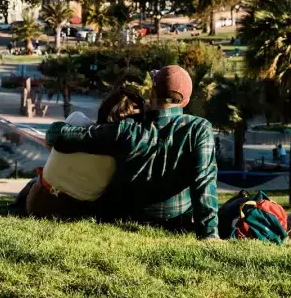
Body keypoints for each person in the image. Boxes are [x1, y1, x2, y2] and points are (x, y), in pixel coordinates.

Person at [44, 65, 220, 239]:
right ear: (185, 101)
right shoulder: (199, 129)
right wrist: (210, 235)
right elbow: (204, 183)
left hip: (127, 219)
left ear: (152, 93)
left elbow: (59, 134)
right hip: (176, 222)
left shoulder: (127, 129)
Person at [21, 87, 145, 219]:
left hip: (39, 203)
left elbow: (51, 143)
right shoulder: (124, 155)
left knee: (35, 181)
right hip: (79, 211)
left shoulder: (76, 120)